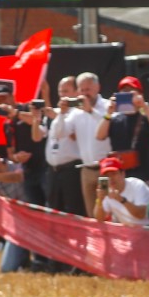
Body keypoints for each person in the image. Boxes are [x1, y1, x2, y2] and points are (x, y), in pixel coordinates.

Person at [38, 75, 87, 217]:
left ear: (76, 92)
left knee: (74, 210)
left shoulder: (81, 113)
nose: (62, 96)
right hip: (53, 171)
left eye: (66, 91)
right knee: (54, 211)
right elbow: (47, 114)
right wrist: (45, 94)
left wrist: (58, 117)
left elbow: (77, 137)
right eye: (60, 92)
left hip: (71, 170)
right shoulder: (57, 112)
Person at [0, 81, 47, 206]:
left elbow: (36, 119)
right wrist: (16, 157)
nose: (2, 102)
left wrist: (15, 113)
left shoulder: (26, 107)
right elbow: (10, 153)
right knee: (35, 208)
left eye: (4, 98)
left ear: (12, 97)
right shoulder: (7, 125)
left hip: (44, 167)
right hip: (28, 171)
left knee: (52, 205)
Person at [101, 75, 149, 182]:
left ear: (140, 94)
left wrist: (144, 106)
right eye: (124, 91)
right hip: (120, 177)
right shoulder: (114, 119)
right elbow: (100, 136)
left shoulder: (145, 118)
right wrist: (109, 112)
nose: (127, 94)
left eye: (131, 91)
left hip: (144, 175)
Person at [67, 72, 110, 215]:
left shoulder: (108, 106)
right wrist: (61, 114)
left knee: (108, 212)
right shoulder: (75, 112)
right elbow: (60, 133)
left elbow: (110, 127)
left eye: (88, 89)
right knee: (91, 215)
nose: (85, 94)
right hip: (86, 170)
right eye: (82, 90)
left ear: (98, 87)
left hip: (106, 169)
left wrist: (90, 111)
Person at [92, 156, 149, 227]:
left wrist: (121, 199)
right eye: (107, 175)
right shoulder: (106, 191)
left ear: (123, 173)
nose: (111, 178)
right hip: (127, 231)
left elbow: (141, 215)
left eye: (114, 174)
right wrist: (99, 200)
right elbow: (99, 219)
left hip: (148, 229)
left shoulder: (137, 185)